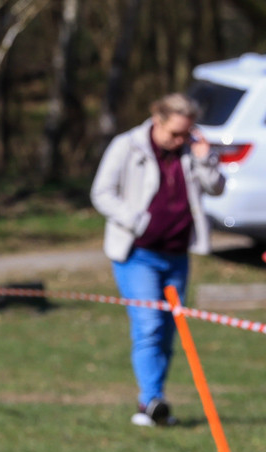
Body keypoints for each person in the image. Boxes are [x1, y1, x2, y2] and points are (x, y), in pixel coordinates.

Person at [91, 93, 225, 427]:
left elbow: (217, 188)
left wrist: (206, 158)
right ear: (157, 120)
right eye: (174, 134)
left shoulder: (190, 152)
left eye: (186, 133)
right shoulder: (127, 146)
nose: (179, 140)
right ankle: (151, 399)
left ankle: (153, 402)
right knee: (148, 324)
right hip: (138, 254)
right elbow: (101, 192)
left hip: (177, 255)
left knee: (167, 331)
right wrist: (137, 220)